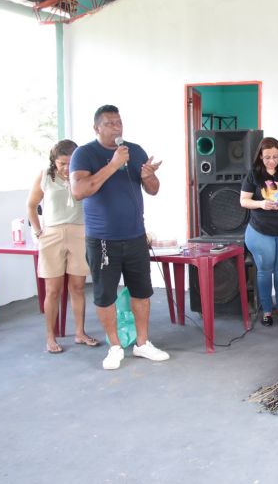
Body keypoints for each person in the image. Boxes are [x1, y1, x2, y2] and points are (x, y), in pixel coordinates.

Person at [70, 105, 168, 370]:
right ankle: (114, 347)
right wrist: (113, 166)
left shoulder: (134, 151)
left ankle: (142, 343)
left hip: (135, 236)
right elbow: (79, 191)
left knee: (142, 292)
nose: (117, 127)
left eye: (119, 122)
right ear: (96, 128)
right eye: (110, 123)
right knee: (105, 296)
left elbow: (153, 190)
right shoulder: (84, 154)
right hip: (103, 239)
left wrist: (149, 176)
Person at [26, 140, 97, 353]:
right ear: (53, 162)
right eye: (62, 163)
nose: (67, 168)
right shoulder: (45, 176)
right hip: (52, 235)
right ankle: (50, 337)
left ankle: (80, 333)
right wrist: (39, 232)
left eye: (70, 162)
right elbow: (31, 205)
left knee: (77, 287)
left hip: (79, 233)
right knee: (53, 290)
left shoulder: (83, 174)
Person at [240, 137, 278, 327]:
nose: (271, 161)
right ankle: (266, 311)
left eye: (275, 157)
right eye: (267, 157)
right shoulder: (253, 175)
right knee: (265, 271)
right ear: (260, 156)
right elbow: (243, 201)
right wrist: (261, 203)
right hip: (260, 231)